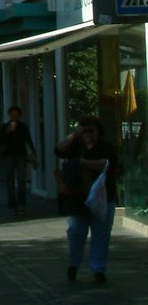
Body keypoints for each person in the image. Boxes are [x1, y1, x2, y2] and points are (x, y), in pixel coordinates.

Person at [55, 116, 117, 284]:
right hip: (78, 199)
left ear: (98, 132)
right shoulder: (75, 146)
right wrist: (74, 136)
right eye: (84, 131)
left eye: (91, 131)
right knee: (75, 233)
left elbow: (107, 164)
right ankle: (74, 264)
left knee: (101, 235)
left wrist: (81, 162)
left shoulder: (105, 147)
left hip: (103, 198)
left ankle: (98, 269)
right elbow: (58, 149)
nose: (87, 134)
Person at [0, 105, 36, 215]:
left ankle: (21, 204)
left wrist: (32, 153)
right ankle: (12, 205)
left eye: (16, 115)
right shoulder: (5, 127)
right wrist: (8, 131)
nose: (14, 117)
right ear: (10, 116)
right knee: (10, 181)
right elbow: (0, 140)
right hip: (9, 155)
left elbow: (28, 140)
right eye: (12, 115)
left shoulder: (23, 127)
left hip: (20, 155)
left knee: (21, 181)